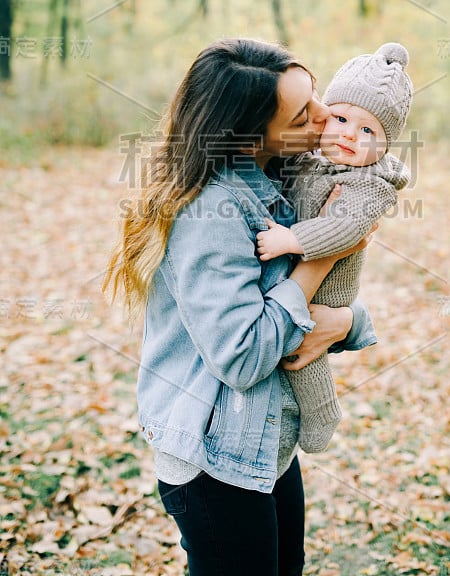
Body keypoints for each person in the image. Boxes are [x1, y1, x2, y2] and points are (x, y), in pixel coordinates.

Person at [104, 38, 378, 576]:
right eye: (303, 114)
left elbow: (318, 305)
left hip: (265, 439)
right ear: (250, 137)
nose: (327, 118)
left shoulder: (281, 175)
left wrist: (347, 322)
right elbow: (244, 355)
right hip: (216, 460)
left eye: (316, 94)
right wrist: (323, 256)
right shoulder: (211, 210)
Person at [256, 42, 413, 453]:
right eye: (340, 118)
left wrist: (292, 239)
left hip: (329, 287)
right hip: (297, 274)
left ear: (385, 144)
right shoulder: (309, 155)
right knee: (293, 342)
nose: (348, 134)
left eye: (367, 131)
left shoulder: (371, 183)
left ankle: (322, 408)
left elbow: (347, 229)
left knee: (301, 350)